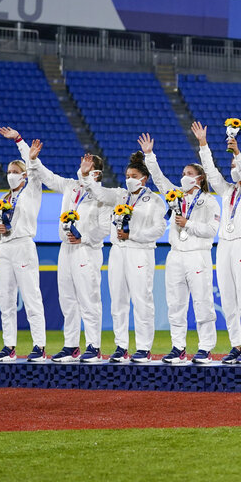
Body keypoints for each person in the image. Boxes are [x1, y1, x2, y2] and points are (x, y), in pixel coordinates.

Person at [140, 132, 221, 365]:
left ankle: (205, 347)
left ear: (200, 178)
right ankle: (178, 347)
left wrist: (189, 224)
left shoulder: (209, 201)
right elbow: (158, 177)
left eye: (189, 174)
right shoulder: (175, 196)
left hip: (198, 255)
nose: (184, 177)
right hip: (175, 255)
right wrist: (149, 155)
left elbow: (211, 230)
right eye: (183, 173)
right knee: (175, 303)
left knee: (202, 302)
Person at [82, 151, 168, 363]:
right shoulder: (120, 195)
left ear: (144, 179)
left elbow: (160, 229)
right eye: (127, 176)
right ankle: (121, 346)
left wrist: (134, 235)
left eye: (134, 176)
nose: (129, 179)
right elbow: (100, 194)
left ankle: (144, 347)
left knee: (141, 299)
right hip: (118, 250)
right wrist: (85, 176)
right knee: (118, 300)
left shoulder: (154, 201)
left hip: (140, 251)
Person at [27, 143, 109, 364]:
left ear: (97, 173)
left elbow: (105, 228)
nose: (82, 168)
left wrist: (85, 237)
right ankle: (71, 346)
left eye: (88, 167)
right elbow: (49, 177)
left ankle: (94, 346)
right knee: (67, 299)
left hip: (87, 250)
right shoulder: (72, 187)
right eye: (82, 165)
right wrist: (33, 160)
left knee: (89, 299)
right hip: (66, 249)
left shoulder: (103, 196)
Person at [196, 122, 241, 364]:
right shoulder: (227, 192)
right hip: (224, 244)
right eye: (231, 165)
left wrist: (237, 152)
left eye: (236, 165)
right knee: (227, 297)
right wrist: (203, 146)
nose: (233, 168)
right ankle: (236, 345)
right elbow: (212, 173)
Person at [0, 128, 47, 362]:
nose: (11, 175)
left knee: (31, 296)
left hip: (23, 245)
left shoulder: (31, 190)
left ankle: (39, 346)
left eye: (16, 172)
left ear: (24, 175)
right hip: (4, 247)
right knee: (5, 299)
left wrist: (19, 142)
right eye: (9, 171)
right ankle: (9, 346)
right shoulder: (4, 199)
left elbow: (34, 169)